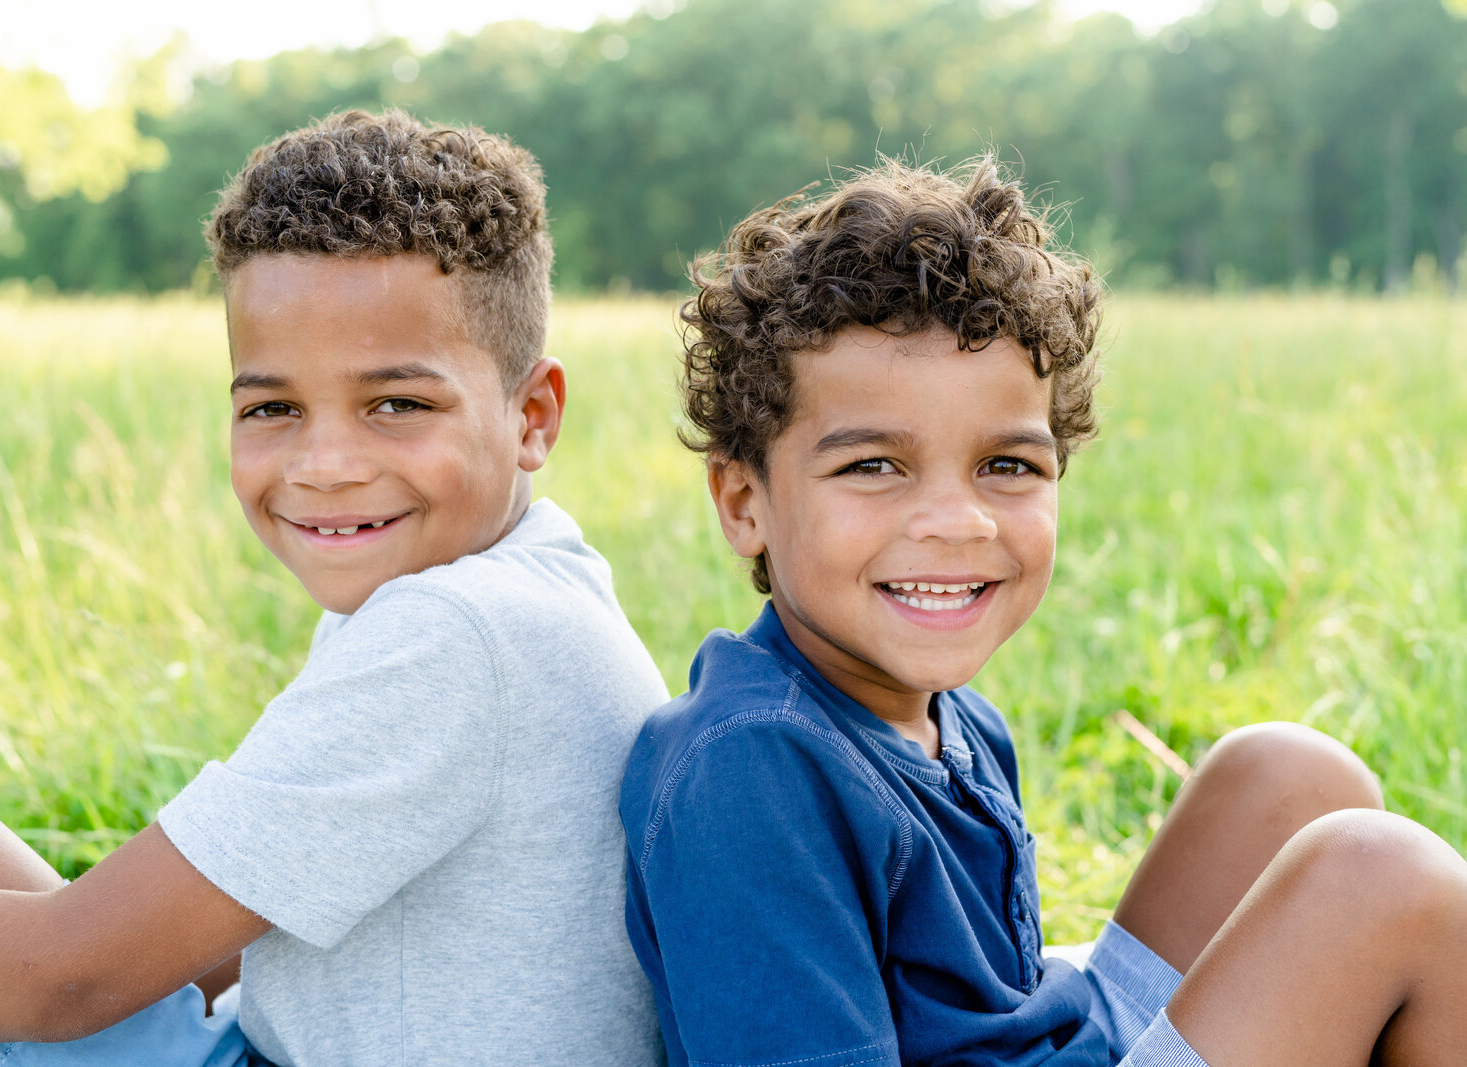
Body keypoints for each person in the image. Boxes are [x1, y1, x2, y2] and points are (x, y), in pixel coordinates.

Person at [619, 158, 1467, 1067]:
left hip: (1068, 1044)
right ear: (744, 501)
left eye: (1008, 465)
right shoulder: (747, 767)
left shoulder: (950, 716)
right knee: (1384, 879)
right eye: (872, 465)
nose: (958, 520)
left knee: (1290, 773)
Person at [0, 108, 667, 1067]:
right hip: (260, 1036)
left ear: (532, 413)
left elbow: (67, 975)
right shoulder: (521, 578)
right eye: (273, 407)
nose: (325, 464)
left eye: (396, 404)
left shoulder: (459, 632)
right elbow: (217, 944)